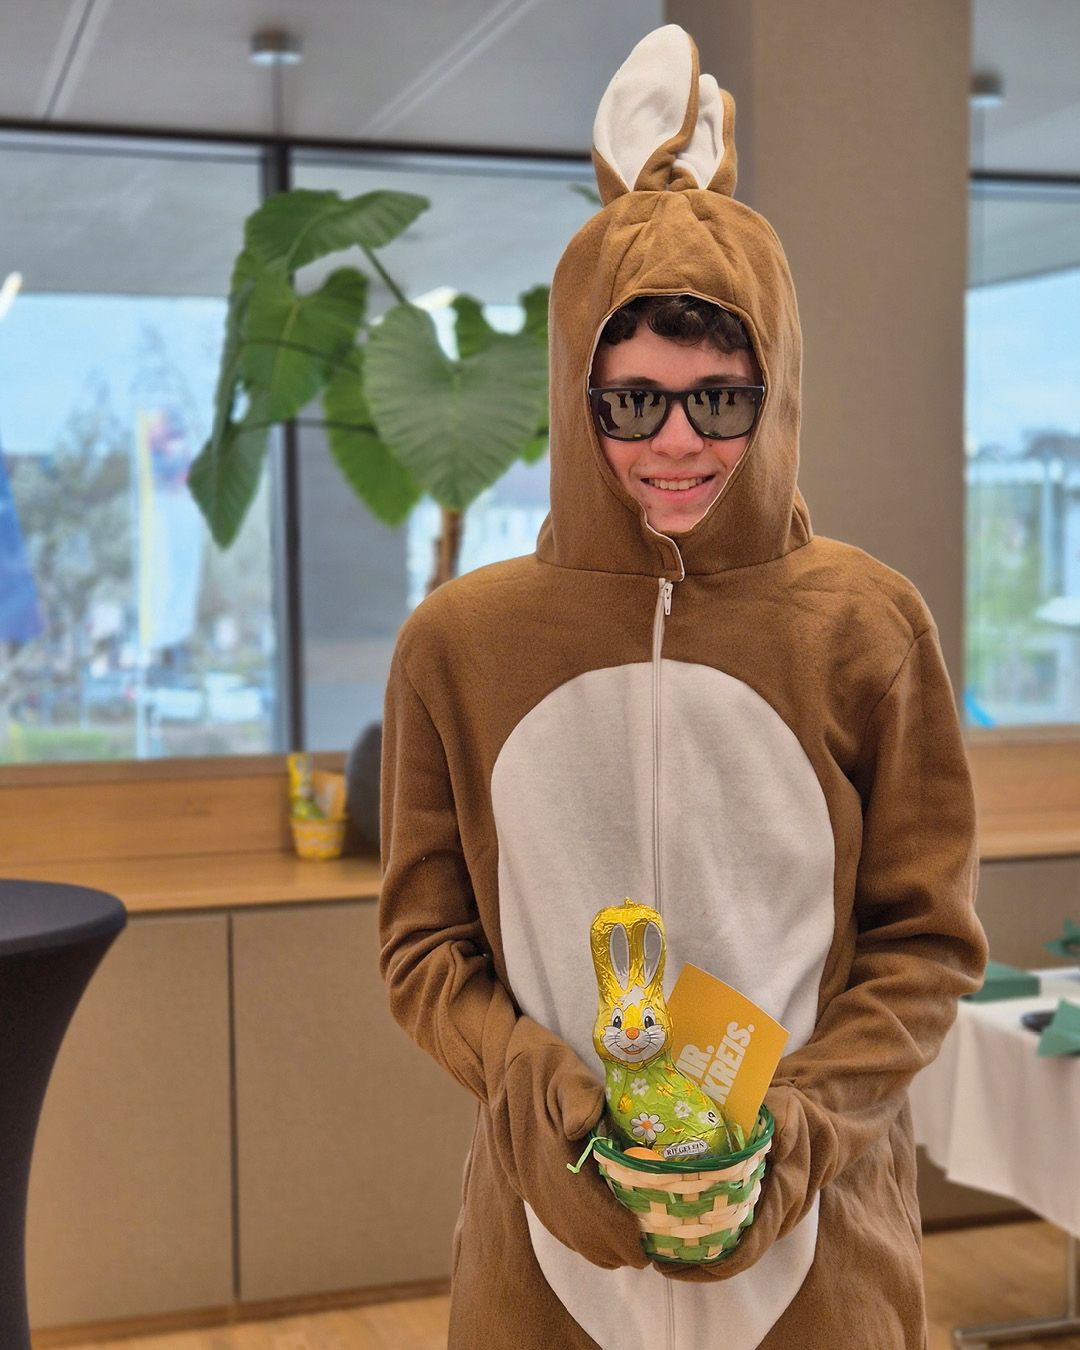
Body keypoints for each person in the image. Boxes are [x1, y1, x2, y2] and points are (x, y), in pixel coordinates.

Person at [378, 23, 988, 1350]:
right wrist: (534, 1088)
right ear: (575, 393)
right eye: (633, 399)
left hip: (818, 1256)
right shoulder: (457, 644)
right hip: (541, 1260)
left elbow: (924, 944)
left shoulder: (868, 627)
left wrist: (802, 1132)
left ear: (774, 397)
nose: (676, 443)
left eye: (721, 400)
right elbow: (425, 952)